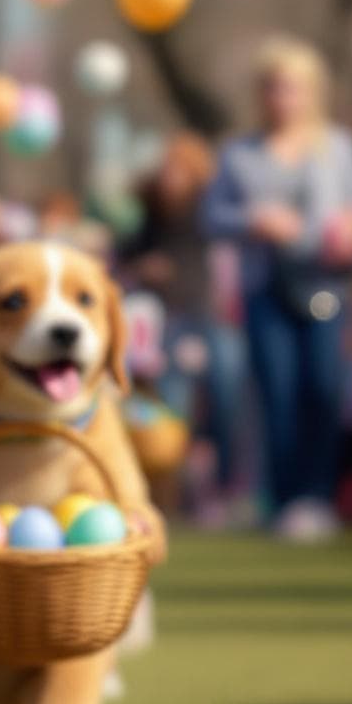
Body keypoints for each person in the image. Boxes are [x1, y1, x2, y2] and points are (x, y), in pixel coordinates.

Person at [204, 38, 352, 540]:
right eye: (274, 88)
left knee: (322, 385)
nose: (283, 98)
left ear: (311, 92)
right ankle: (281, 500)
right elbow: (212, 217)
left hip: (323, 289)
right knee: (276, 390)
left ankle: (316, 497)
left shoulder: (337, 147)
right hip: (265, 290)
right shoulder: (240, 154)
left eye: (293, 88)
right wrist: (254, 220)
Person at [124, 132, 247, 519]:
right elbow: (127, 255)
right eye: (167, 170)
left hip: (209, 317)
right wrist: (144, 268)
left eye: (180, 170)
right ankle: (175, 493)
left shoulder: (209, 213)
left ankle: (227, 487)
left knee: (226, 394)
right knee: (172, 408)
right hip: (168, 322)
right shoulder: (151, 217)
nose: (170, 178)